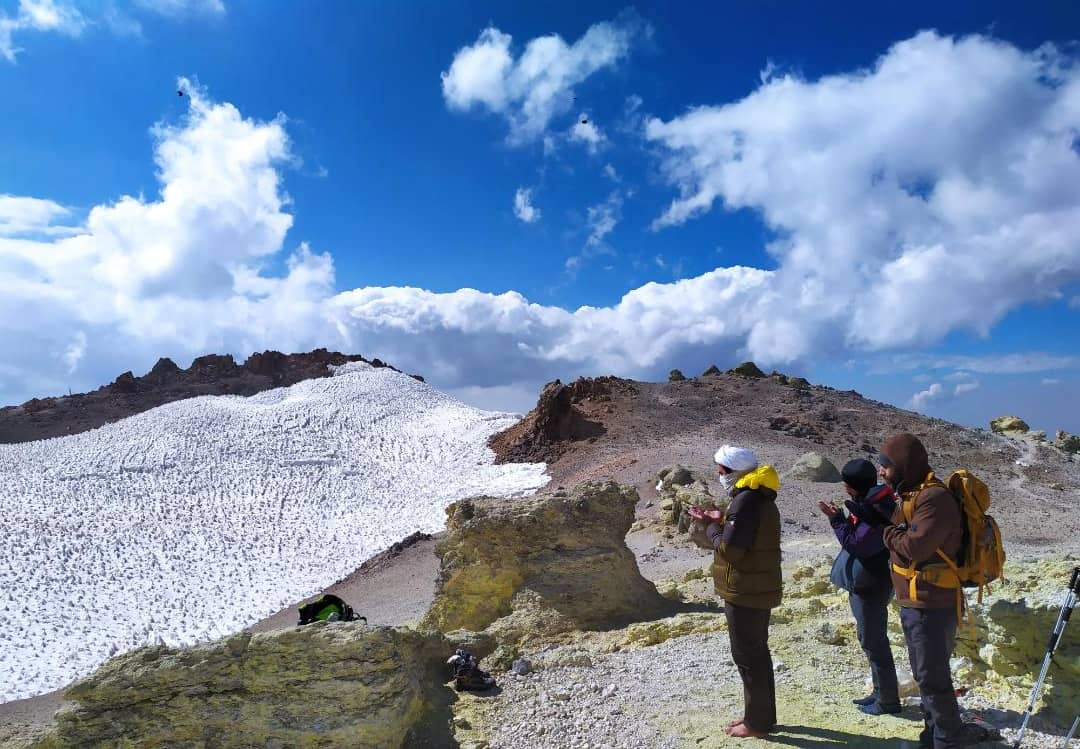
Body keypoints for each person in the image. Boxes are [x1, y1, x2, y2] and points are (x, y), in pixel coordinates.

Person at [688, 445, 781, 738]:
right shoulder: (756, 496)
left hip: (745, 591)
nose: (719, 476)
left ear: (733, 472)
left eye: (721, 471)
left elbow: (731, 551)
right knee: (757, 653)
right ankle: (762, 718)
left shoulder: (746, 501)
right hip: (756, 587)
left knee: (748, 656)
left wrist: (710, 526)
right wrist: (723, 519)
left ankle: (756, 724)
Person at [879, 433, 964, 748]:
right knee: (925, 675)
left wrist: (886, 532)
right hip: (916, 599)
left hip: (932, 601)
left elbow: (915, 546)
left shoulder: (934, 498)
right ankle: (931, 737)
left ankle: (948, 741)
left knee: (932, 678)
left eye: (886, 466)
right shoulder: (910, 493)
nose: (881, 472)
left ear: (903, 465)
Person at [819, 458, 901, 716]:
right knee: (870, 639)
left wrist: (836, 520)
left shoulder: (876, 508)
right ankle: (879, 692)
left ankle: (888, 700)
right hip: (869, 582)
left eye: (846, 484)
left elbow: (859, 545)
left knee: (874, 641)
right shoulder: (873, 502)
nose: (844, 488)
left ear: (853, 486)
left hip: (871, 584)